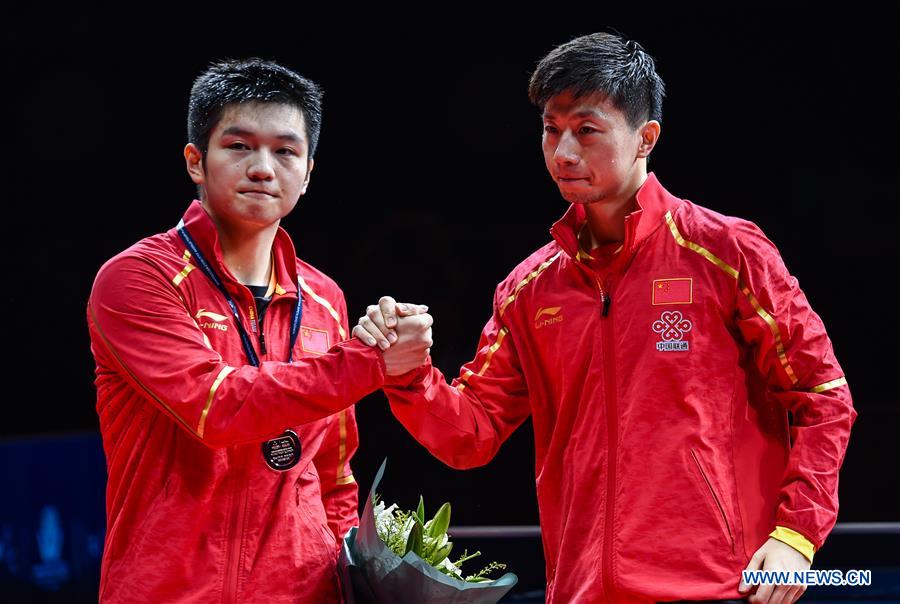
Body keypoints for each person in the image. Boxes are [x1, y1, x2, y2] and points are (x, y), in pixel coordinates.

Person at [356, 33, 857, 603]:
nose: (563, 151)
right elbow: (471, 435)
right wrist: (407, 373)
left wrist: (796, 536)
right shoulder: (527, 289)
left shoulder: (725, 251)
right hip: (581, 591)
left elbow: (823, 395)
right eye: (551, 129)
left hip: (723, 587)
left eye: (587, 130)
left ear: (646, 138)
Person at [86, 58, 432, 603]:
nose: (263, 168)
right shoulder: (137, 278)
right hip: (169, 591)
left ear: (309, 171)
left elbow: (333, 473)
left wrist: (347, 571)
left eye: (285, 151)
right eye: (239, 146)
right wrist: (371, 362)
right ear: (196, 161)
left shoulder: (325, 300)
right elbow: (216, 407)